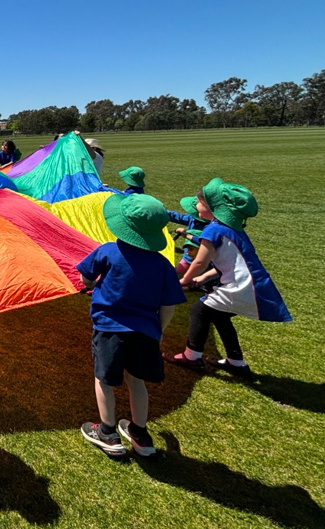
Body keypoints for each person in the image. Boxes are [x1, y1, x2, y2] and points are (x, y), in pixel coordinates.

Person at [77, 194, 187, 457]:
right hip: (146, 332)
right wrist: (156, 331)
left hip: (109, 329)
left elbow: (86, 277)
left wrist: (90, 286)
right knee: (136, 380)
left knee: (104, 380)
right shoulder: (163, 265)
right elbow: (168, 305)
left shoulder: (108, 250)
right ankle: (139, 433)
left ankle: (106, 431)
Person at [164, 178, 291, 378]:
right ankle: (236, 363)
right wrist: (204, 278)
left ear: (212, 207)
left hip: (243, 287)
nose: (195, 205)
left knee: (199, 310)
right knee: (219, 316)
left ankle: (192, 356)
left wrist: (186, 280)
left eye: (199, 201)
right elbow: (229, 264)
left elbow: (199, 262)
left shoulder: (213, 230)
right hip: (254, 286)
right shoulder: (232, 230)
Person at [166, 196, 210, 277]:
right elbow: (178, 217)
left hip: (205, 262)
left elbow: (205, 243)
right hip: (187, 259)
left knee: (199, 278)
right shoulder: (192, 219)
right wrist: (163, 212)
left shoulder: (211, 227)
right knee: (175, 274)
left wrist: (187, 235)